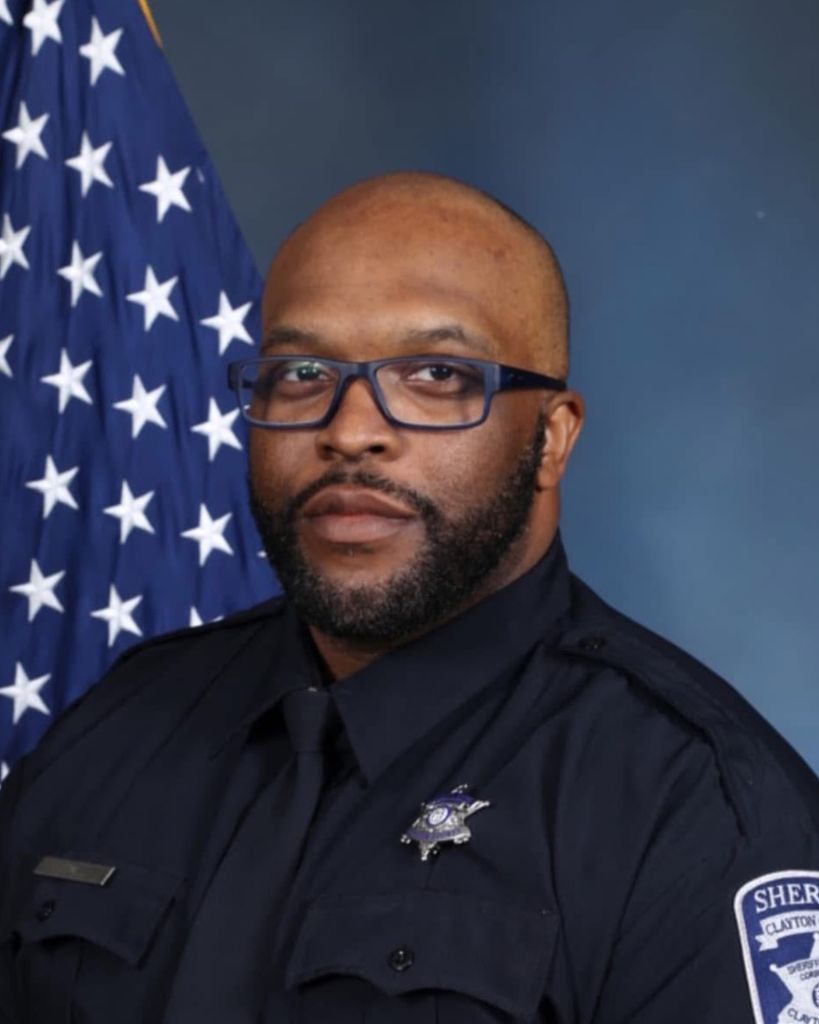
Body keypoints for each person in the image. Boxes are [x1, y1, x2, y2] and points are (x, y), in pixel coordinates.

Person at [0, 171, 817, 1024]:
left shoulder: (693, 808)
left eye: (435, 374)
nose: (350, 431)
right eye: (301, 372)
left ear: (551, 438)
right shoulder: (120, 726)